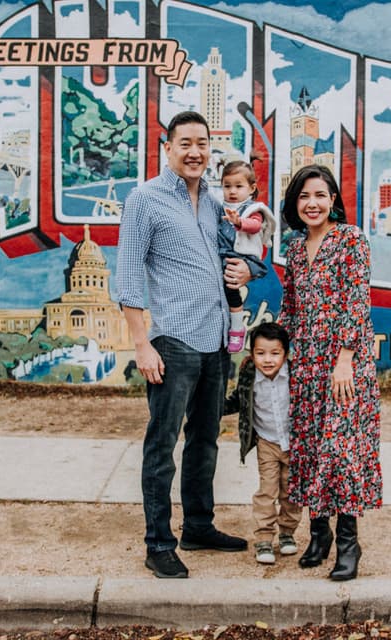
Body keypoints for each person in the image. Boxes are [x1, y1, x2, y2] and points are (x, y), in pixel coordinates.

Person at [116, 111, 252, 579]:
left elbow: (234, 258)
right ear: (167, 147)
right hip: (172, 341)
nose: (195, 152)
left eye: (203, 144)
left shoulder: (214, 205)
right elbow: (129, 275)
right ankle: (158, 542)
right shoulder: (144, 200)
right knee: (162, 443)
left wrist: (246, 274)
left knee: (205, 440)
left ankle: (198, 525)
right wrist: (141, 344)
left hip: (215, 342)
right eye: (186, 143)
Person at [278, 164, 382, 581]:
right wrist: (271, 350)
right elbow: (291, 306)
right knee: (309, 449)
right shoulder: (294, 247)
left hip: (344, 365)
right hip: (304, 364)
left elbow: (357, 303)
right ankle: (317, 536)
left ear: (333, 200)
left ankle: (348, 545)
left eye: (320, 195)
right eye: (304, 197)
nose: (312, 204)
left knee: (342, 452)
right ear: (295, 203)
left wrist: (344, 360)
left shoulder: (351, 240)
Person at [223, 322, 302, 564]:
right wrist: (214, 408)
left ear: (285, 354)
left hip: (294, 443)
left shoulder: (296, 375)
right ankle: (264, 538)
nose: (268, 360)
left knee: (291, 492)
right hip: (267, 442)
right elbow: (238, 400)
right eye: (260, 353)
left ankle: (287, 533)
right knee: (267, 491)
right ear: (251, 354)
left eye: (275, 353)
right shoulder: (249, 376)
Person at [219, 161, 276, 353]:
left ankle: (237, 328)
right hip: (225, 256)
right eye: (227, 186)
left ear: (251, 188)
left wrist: (239, 222)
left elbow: (255, 226)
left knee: (231, 289)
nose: (232, 191)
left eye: (238, 186)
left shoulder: (253, 208)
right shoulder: (221, 207)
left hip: (246, 257)